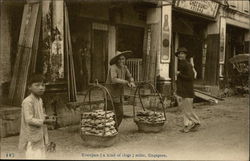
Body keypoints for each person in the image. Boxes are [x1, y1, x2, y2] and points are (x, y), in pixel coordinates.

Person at [19, 74, 55, 159]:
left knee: (41, 155)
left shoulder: (39, 100)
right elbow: (29, 119)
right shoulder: (27, 102)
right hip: (31, 136)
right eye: (37, 85)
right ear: (29, 87)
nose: (41, 88)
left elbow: (40, 114)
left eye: (43, 85)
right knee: (33, 154)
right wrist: (44, 121)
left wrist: (46, 117)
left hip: (39, 134)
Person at [106, 51, 136, 129]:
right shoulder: (113, 67)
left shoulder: (124, 67)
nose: (121, 61)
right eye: (119, 59)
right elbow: (114, 79)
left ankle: (113, 128)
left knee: (120, 113)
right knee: (107, 112)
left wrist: (131, 81)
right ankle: (106, 129)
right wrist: (126, 82)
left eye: (123, 59)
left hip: (119, 93)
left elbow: (130, 76)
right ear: (116, 60)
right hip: (110, 93)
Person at [175, 47, 200, 133]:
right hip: (182, 90)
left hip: (187, 90)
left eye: (182, 53)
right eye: (179, 54)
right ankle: (187, 125)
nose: (180, 55)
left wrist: (179, 74)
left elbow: (191, 77)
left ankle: (196, 122)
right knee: (184, 109)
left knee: (187, 110)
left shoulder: (187, 65)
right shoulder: (182, 64)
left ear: (185, 55)